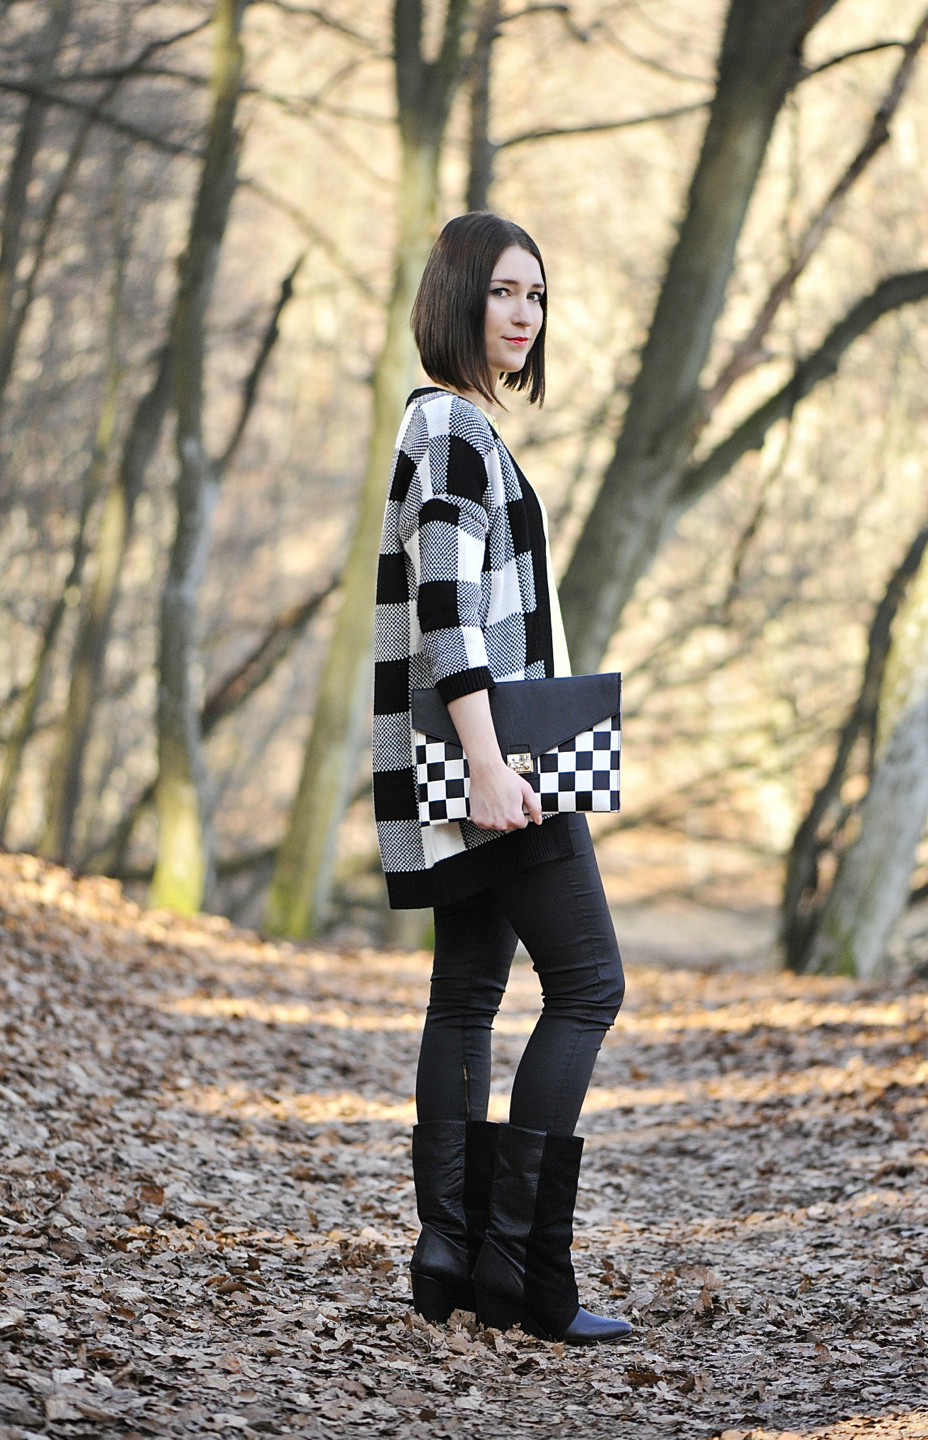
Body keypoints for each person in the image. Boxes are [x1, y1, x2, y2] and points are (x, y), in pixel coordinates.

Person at [372, 212, 629, 1345]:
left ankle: (453, 1250)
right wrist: (488, 761)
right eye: (504, 291)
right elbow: (447, 607)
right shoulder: (453, 429)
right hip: (500, 765)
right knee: (589, 984)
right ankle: (524, 1265)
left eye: (537, 295)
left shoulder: (449, 427)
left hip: (474, 760)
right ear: (458, 297)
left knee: (467, 992)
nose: (524, 314)